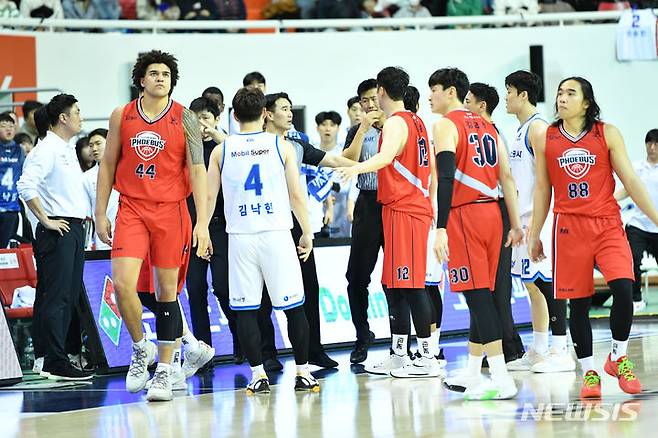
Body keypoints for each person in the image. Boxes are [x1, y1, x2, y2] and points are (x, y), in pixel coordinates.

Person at [529, 77, 658, 399]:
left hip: (607, 223)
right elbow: (543, 188)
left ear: (586, 102)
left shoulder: (606, 133)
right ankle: (589, 372)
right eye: (559, 93)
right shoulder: (548, 136)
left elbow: (630, 179)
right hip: (568, 227)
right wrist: (535, 233)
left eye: (570, 93)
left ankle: (618, 356)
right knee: (579, 304)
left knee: (624, 289)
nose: (561, 98)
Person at [95, 50, 210, 402]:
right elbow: (108, 164)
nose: (161, 78)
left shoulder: (186, 118)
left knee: (166, 293)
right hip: (131, 207)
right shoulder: (122, 115)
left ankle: (164, 371)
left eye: (166, 74)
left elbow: (198, 169)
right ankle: (139, 349)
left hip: (172, 211)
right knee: (124, 285)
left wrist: (202, 222)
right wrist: (100, 212)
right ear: (141, 80)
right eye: (154, 73)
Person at [206, 87, 319, 394]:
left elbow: (209, 195)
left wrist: (201, 228)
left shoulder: (222, 150)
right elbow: (297, 194)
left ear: (233, 115)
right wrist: (306, 231)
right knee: (294, 308)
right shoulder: (281, 145)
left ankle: (258, 374)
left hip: (240, 238)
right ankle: (304, 372)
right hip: (277, 234)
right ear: (265, 114)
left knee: (246, 310)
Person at [337, 67, 440, 378]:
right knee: (393, 283)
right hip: (399, 207)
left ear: (381, 91)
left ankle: (426, 355)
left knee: (411, 285)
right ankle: (398, 353)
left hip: (406, 208)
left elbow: (384, 158)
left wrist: (355, 169)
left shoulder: (397, 122)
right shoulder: (417, 120)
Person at [430, 68, 523, 400]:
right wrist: (515, 224)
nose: (430, 96)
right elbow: (507, 179)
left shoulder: (445, 125)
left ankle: (501, 376)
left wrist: (440, 227)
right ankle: (472, 371)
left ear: (451, 92)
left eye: (435, 90)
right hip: (494, 214)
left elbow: (444, 178)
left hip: (464, 215)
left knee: (477, 297)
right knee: (480, 293)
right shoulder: (490, 126)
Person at [257, 92, 357, 371]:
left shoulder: (298, 143)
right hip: (263, 225)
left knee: (308, 287)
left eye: (291, 109)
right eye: (284, 109)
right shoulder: (253, 143)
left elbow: (334, 161)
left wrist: (363, 165)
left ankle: (314, 350)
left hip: (295, 225)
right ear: (267, 113)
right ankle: (267, 353)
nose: (290, 114)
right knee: (264, 292)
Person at [17, 94, 92, 381]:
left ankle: (55, 356)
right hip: (57, 231)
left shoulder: (66, 148)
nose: (81, 117)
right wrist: (46, 219)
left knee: (67, 296)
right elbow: (26, 186)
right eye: (77, 111)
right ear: (63, 117)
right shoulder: (46, 149)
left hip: (73, 228)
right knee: (57, 298)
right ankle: (53, 360)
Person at [502, 71, 573, 373]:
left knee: (547, 283)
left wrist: (541, 225)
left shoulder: (539, 129)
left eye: (509, 91)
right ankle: (540, 347)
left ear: (523, 95)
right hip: (525, 218)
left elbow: (551, 180)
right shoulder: (520, 129)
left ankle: (561, 348)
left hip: (541, 220)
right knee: (532, 285)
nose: (505, 97)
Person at [462, 82, 526, 364]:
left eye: (468, 100)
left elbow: (507, 179)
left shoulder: (491, 133)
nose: (464, 106)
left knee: (496, 286)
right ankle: (498, 346)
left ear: (481, 106)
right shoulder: (476, 132)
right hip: (485, 211)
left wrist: (514, 222)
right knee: (483, 286)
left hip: (494, 210)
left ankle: (508, 346)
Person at [185, 96, 242, 365]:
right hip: (194, 228)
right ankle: (203, 352)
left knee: (223, 288)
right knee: (195, 289)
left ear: (217, 119)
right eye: (196, 121)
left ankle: (240, 339)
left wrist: (217, 135)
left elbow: (239, 155)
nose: (202, 125)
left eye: (206, 118)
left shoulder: (227, 146)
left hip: (221, 227)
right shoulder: (187, 150)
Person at [341, 78, 387, 364]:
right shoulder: (355, 130)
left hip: (394, 205)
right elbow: (347, 161)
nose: (369, 105)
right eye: (364, 101)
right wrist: (363, 130)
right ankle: (362, 335)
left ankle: (404, 340)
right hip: (367, 204)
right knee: (355, 278)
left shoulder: (397, 126)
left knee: (397, 280)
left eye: (373, 99)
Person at [615, 129, 658, 312]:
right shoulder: (637, 167)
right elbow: (627, 189)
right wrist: (610, 199)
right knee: (632, 258)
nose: (652, 147)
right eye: (649, 143)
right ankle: (636, 299)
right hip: (638, 224)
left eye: (656, 144)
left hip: (657, 226)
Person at [0, 112, 25, 248]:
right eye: (4, 126)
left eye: (11, 126)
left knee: (4, 248)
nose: (8, 129)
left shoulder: (19, 150)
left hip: (11, 208)